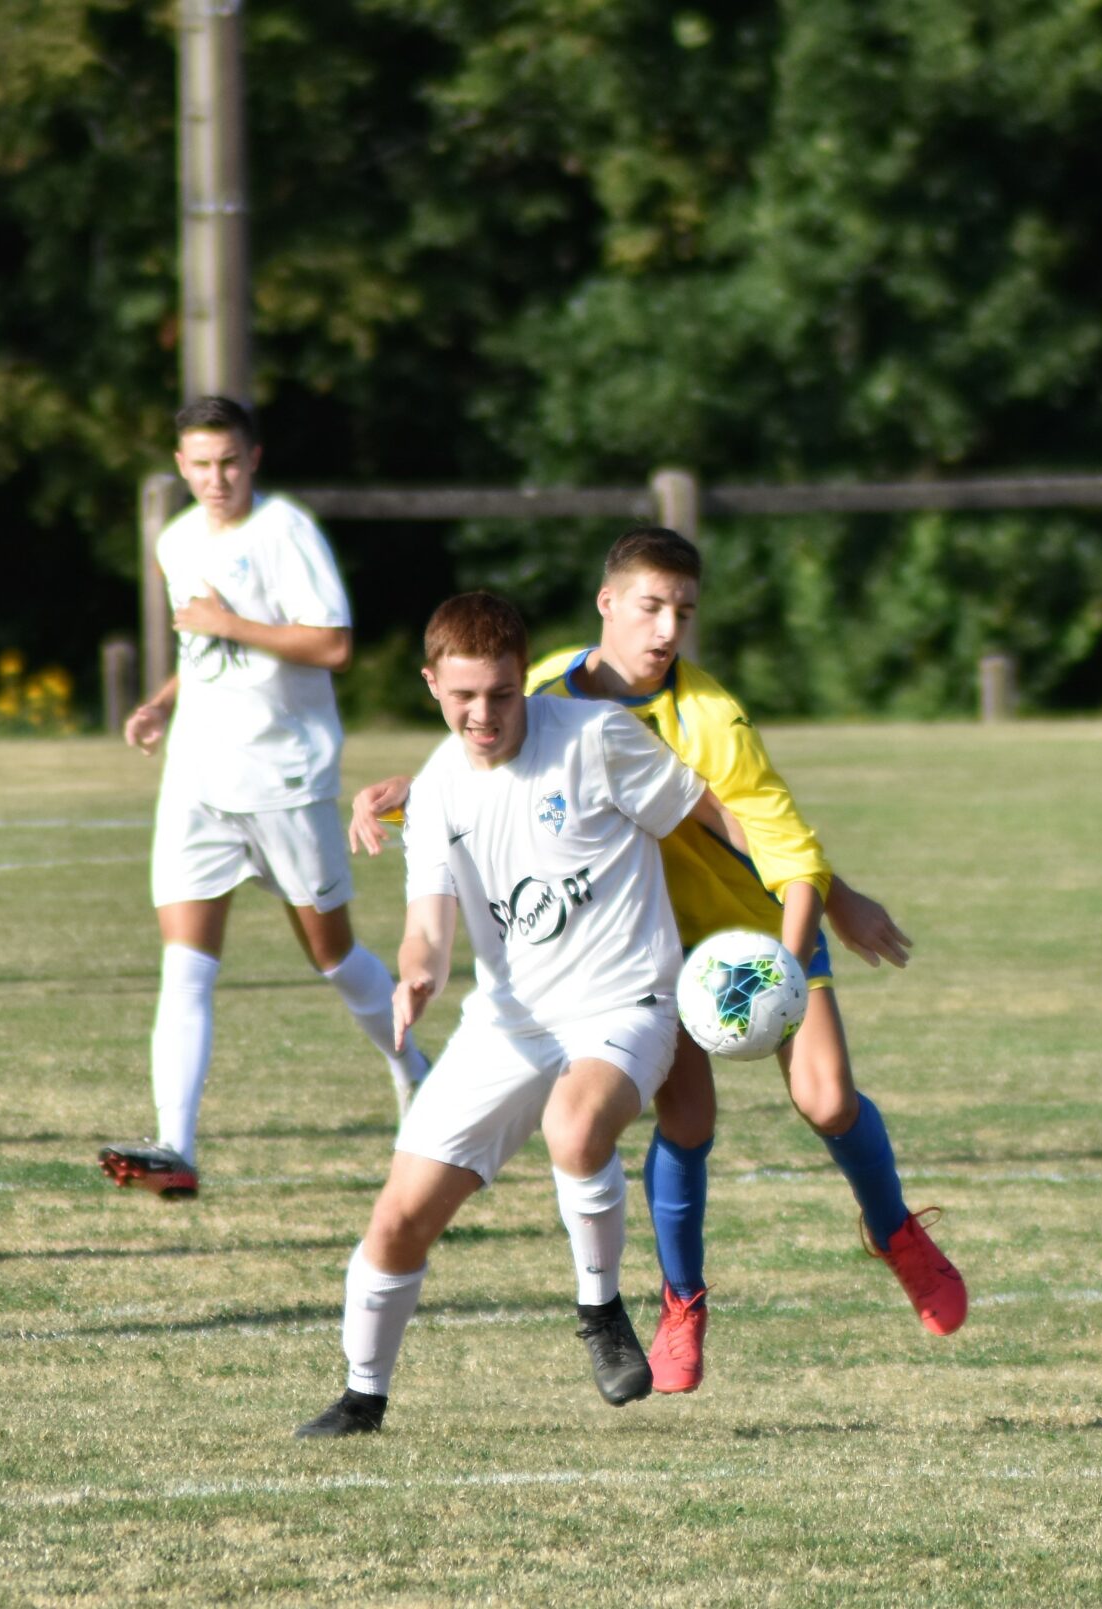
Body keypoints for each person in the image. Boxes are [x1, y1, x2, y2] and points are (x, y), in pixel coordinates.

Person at [351, 527, 965, 1397]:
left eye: (684, 610)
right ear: (607, 603)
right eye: (651, 606)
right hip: (654, 939)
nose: (668, 628)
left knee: (826, 1098)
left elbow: (770, 837)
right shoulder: (544, 684)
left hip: (757, 927)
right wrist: (408, 792)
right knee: (687, 1120)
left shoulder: (713, 718)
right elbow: (494, 753)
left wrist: (808, 932)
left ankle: (895, 1231)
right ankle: (681, 1301)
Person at [297, 591, 750, 1438]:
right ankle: (361, 1397)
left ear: (523, 680)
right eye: (464, 696)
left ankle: (601, 1313)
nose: (483, 714)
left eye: (502, 694)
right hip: (508, 1022)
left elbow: (716, 814)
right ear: (431, 684)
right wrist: (417, 976)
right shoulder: (436, 790)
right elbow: (428, 927)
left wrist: (805, 894)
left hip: (626, 1002)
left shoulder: (597, 737)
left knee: (573, 1126)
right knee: (398, 1219)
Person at [97, 397, 427, 1202]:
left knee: (334, 956)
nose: (216, 478)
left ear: (254, 458)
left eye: (230, 462)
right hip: (197, 779)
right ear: (181, 466)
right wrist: (161, 703)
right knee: (185, 965)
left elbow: (333, 643)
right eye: (201, 465)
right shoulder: (177, 538)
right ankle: (175, 1146)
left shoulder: (285, 530)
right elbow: (200, 645)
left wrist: (231, 622)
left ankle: (418, 1072)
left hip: (284, 776)